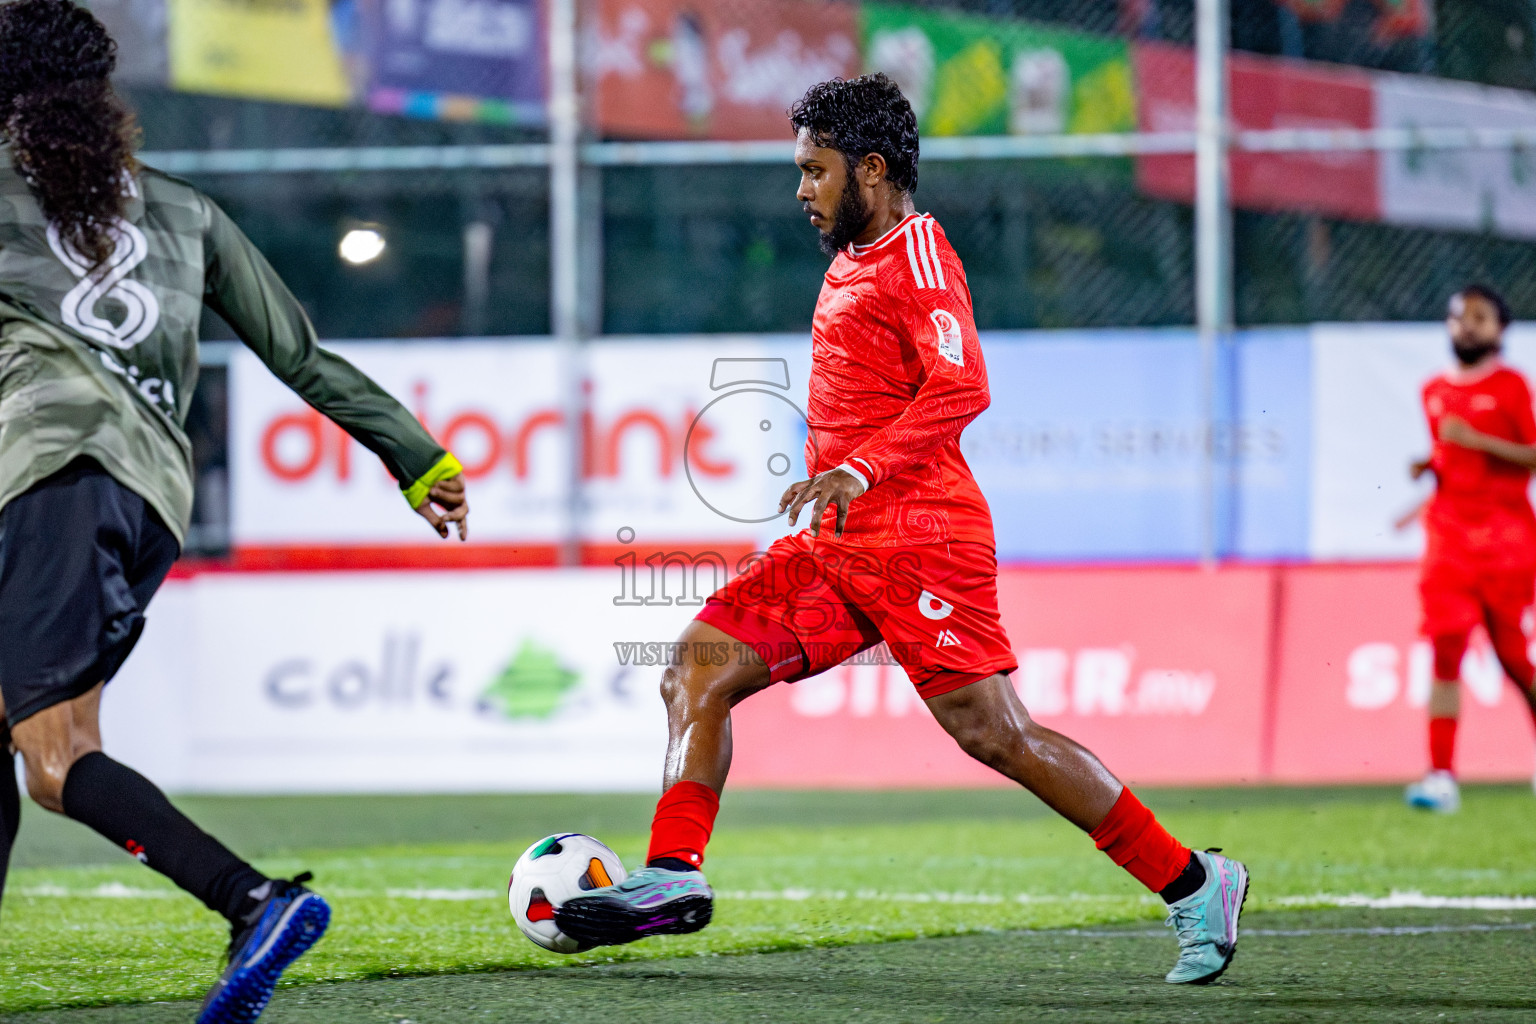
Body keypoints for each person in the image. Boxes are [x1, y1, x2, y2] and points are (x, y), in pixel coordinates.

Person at [556, 74, 1247, 985]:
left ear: (870, 169)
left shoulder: (920, 256)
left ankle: (1196, 882)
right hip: (836, 542)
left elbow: (964, 386)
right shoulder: (858, 253)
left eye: (815, 171)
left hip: (923, 535)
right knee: (697, 666)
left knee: (995, 733)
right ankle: (672, 877)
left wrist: (858, 467)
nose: (801, 190)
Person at [0, 3, 469, 1021]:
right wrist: (416, 454)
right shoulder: (183, 209)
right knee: (19, 729)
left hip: (49, 474)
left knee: (52, 751)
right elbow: (298, 353)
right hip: (148, 498)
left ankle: (253, 901)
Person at [1406, 284, 1536, 813]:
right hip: (1449, 541)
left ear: (1500, 329)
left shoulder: (1511, 388)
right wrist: (1430, 468)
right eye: (1458, 316)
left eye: (1478, 318)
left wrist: (1480, 442)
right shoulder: (1432, 390)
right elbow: (1451, 459)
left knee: (1513, 659)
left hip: (1505, 543)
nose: (1465, 326)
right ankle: (1441, 777)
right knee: (1445, 649)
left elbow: (1531, 455)